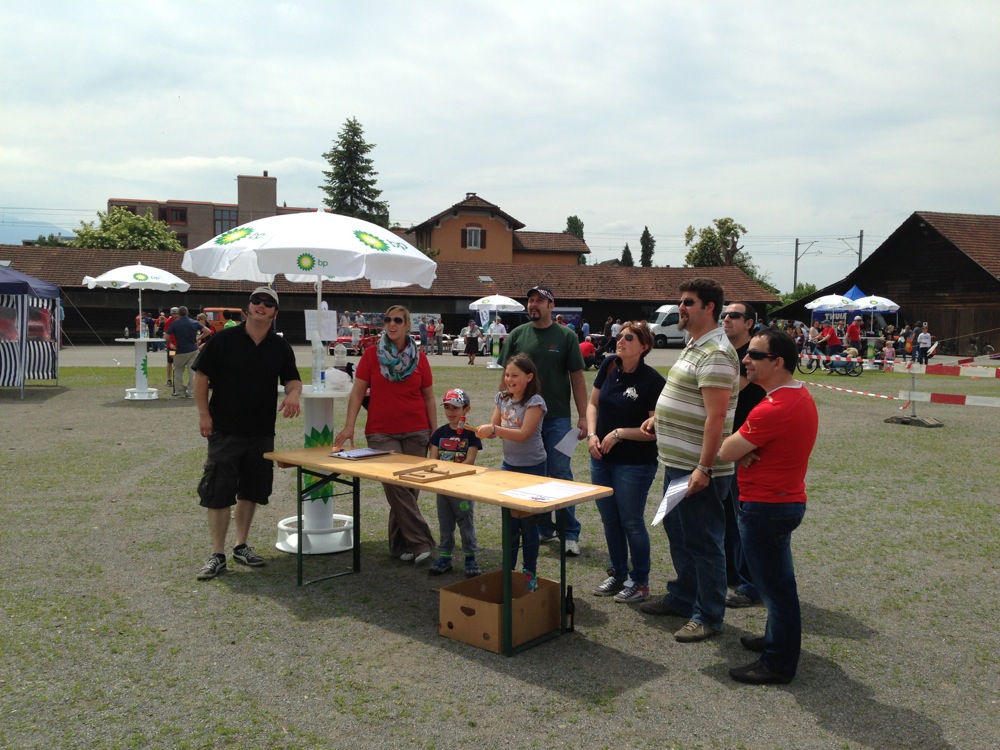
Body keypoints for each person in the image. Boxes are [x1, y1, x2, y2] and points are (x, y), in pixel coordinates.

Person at [639, 277, 739, 643]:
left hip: (698, 468)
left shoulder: (716, 353)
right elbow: (688, 396)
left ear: (709, 307)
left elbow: (716, 417)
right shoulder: (695, 344)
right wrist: (660, 419)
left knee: (704, 541)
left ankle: (708, 616)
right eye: (680, 301)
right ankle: (683, 598)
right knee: (680, 534)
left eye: (688, 302)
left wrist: (704, 467)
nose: (680, 307)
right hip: (678, 463)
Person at [718, 329, 819, 684]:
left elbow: (726, 450)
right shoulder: (798, 394)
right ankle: (776, 640)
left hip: (766, 506)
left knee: (776, 590)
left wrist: (741, 450)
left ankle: (778, 663)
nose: (745, 359)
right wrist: (745, 450)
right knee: (777, 583)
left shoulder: (773, 407)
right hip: (781, 501)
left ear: (777, 362)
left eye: (755, 355)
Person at [192, 286, 302, 580]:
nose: (261, 306)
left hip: (261, 431)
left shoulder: (280, 346)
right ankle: (217, 554)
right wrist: (204, 414)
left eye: (268, 303)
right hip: (224, 429)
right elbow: (201, 377)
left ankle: (241, 545)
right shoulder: (223, 339)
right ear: (248, 307)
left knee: (251, 490)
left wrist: (293, 394)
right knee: (219, 491)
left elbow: (293, 379)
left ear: (275, 313)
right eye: (256, 301)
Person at [334, 305, 437, 563]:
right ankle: (422, 541)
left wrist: (435, 431)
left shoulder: (420, 358)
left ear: (407, 325)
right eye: (388, 320)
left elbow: (428, 397)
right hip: (381, 432)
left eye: (398, 320)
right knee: (395, 484)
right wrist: (349, 425)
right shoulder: (371, 355)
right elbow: (358, 392)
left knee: (409, 489)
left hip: (417, 430)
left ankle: (400, 546)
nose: (392, 324)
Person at [498, 284, 588, 556]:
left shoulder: (566, 336)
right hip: (522, 418)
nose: (534, 305)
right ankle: (542, 527)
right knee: (533, 475)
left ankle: (569, 533)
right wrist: (500, 413)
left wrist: (583, 416)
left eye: (540, 300)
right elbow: (505, 378)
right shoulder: (517, 335)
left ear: (551, 305)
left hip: (557, 418)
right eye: (531, 300)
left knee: (560, 474)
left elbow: (577, 377)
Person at [587, 321, 665, 603]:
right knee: (610, 520)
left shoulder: (652, 381)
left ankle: (640, 582)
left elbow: (655, 430)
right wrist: (593, 434)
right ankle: (619, 573)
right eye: (620, 336)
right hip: (601, 458)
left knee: (631, 521)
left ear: (644, 346)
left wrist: (619, 433)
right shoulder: (609, 365)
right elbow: (593, 404)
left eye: (629, 337)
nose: (620, 340)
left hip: (635, 463)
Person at [476, 354, 547, 591]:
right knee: (510, 524)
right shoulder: (502, 398)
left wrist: (494, 429)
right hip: (509, 466)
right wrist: (486, 431)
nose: (509, 379)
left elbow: (524, 434)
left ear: (529, 377)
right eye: (507, 374)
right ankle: (508, 569)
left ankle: (529, 572)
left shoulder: (535, 402)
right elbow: (495, 428)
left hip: (532, 468)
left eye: (515, 375)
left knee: (528, 524)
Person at [720, 302, 767, 609]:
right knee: (725, 514)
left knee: (744, 518)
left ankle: (751, 585)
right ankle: (731, 573)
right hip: (727, 443)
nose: (727, 319)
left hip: (747, 445)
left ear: (749, 322)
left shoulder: (753, 353)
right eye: (724, 315)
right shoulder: (725, 351)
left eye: (734, 316)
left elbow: (727, 392)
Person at [428, 388, 483, 578]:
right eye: (447, 407)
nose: (451, 412)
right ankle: (445, 557)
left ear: (466, 409)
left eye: (456, 408)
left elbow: (470, 461)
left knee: (465, 523)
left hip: (462, 488)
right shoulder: (439, 433)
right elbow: (433, 460)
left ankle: (470, 558)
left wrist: (452, 473)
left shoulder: (471, 434)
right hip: (443, 487)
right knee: (445, 524)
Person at [167, 306, 209, 398]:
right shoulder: (194, 322)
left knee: (178, 371)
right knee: (192, 372)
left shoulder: (174, 323)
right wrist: (198, 338)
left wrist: (170, 343)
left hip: (179, 350)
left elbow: (166, 336)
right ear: (187, 313)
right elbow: (207, 331)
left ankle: (179, 392)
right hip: (193, 350)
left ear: (178, 314)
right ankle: (191, 392)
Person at [164, 306, 179, 387]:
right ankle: (169, 379)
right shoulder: (168, 321)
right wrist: (170, 343)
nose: (175, 316)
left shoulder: (181, 320)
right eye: (173, 314)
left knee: (179, 363)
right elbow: (166, 334)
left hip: (180, 346)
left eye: (176, 314)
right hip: (172, 346)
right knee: (170, 362)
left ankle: (178, 380)